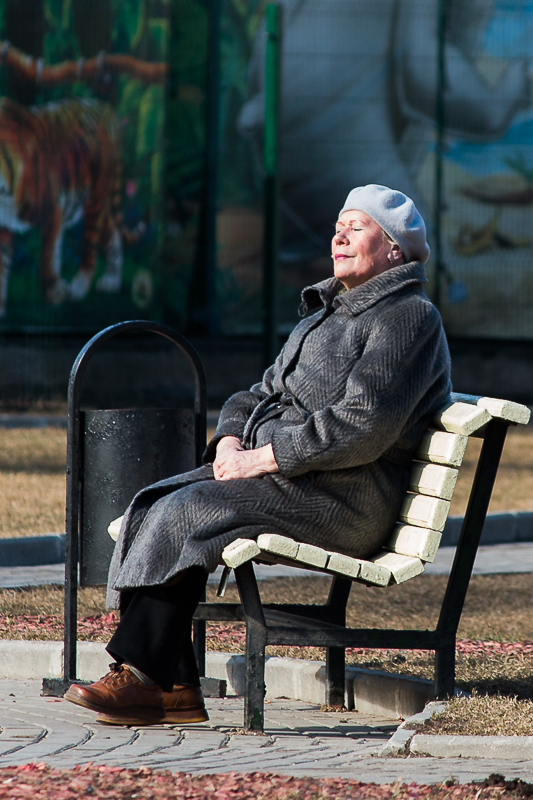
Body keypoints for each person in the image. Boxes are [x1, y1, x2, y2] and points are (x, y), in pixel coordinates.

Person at [65, 184, 452, 726]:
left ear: (395, 251)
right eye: (338, 224)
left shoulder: (407, 317)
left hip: (346, 496)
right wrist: (229, 440)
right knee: (155, 502)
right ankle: (171, 686)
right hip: (301, 480)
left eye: (357, 227)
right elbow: (261, 391)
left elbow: (363, 425)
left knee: (189, 510)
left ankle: (140, 677)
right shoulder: (326, 313)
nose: (338, 234)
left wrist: (265, 457)